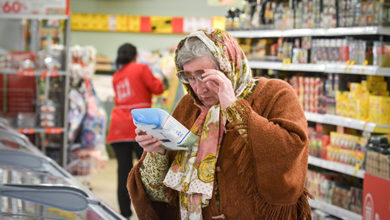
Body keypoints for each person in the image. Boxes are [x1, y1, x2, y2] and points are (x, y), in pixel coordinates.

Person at [127, 29, 311, 220]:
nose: (199, 88)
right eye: (190, 77)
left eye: (205, 75)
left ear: (228, 66)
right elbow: (160, 193)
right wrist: (158, 152)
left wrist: (234, 106)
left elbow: (291, 150)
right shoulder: (188, 106)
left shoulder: (274, 93)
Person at [106, 43, 164, 219]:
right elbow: (158, 88)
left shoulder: (116, 75)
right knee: (147, 170)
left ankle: (124, 213)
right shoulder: (141, 68)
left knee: (123, 171)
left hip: (117, 127)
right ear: (135, 55)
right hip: (139, 126)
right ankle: (148, 211)